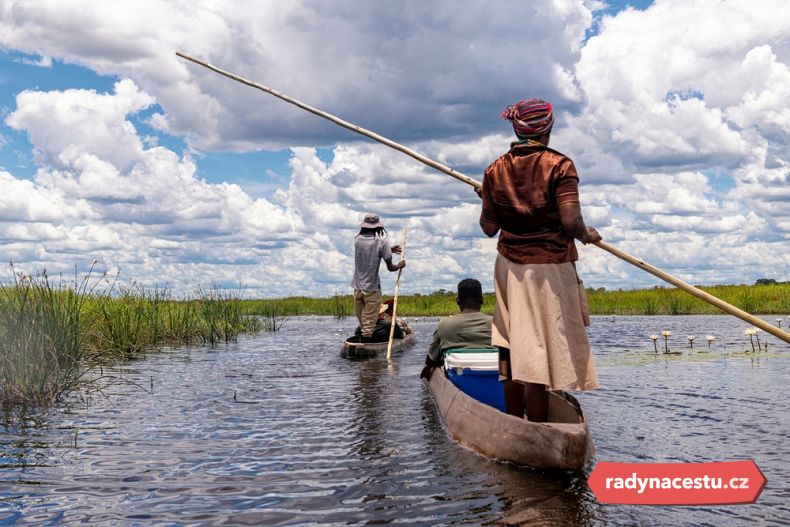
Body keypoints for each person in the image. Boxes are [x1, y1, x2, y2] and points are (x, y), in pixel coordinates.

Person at [479, 98, 601, 422]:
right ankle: (538, 429)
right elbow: (571, 223)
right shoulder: (560, 166)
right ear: (548, 127)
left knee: (513, 344)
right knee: (537, 350)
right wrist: (587, 234)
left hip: (510, 268)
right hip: (549, 268)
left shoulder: (495, 170)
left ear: (517, 129)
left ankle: (516, 424)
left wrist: (490, 197)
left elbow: (489, 227)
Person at [419, 278, 494, 380]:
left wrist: (440, 361)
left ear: (458, 301)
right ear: (481, 300)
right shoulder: (497, 323)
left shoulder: (444, 324)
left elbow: (430, 360)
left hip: (459, 377)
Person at [351, 214, 405, 343]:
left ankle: (362, 350)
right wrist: (400, 265)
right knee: (369, 325)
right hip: (372, 289)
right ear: (378, 228)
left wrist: (388, 250)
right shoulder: (381, 242)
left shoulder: (357, 241)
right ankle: (366, 352)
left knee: (363, 322)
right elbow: (391, 267)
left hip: (357, 288)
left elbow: (370, 252)